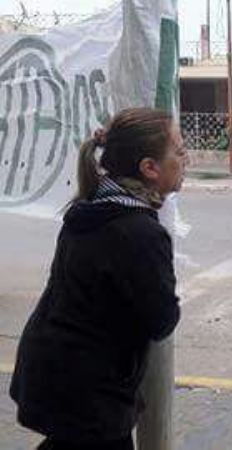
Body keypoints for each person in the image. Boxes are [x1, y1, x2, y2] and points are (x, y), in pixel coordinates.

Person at [10, 108, 187, 450]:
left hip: (53, 372)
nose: (186, 158)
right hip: (89, 393)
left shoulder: (89, 208)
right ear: (149, 168)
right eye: (178, 151)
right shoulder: (139, 232)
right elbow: (162, 319)